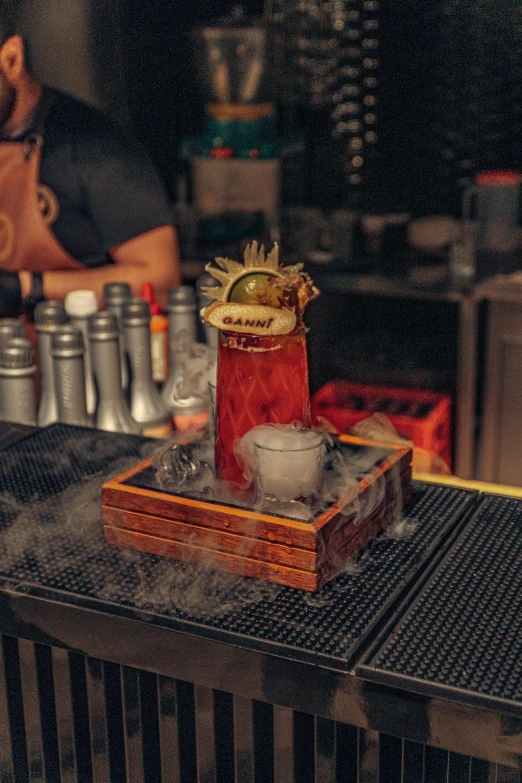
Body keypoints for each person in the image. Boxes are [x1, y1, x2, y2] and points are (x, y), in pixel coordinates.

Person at [0, 1, 181, 319]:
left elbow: (161, 278)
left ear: (11, 59)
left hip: (88, 356)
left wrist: (25, 287)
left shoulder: (93, 146)